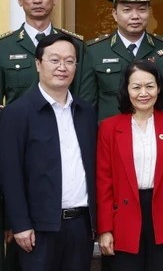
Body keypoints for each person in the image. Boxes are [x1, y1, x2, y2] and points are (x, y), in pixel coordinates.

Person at [0, 34, 97, 271]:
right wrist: (20, 224)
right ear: (38, 64)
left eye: (69, 61)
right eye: (54, 60)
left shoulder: (85, 112)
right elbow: (10, 174)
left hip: (81, 226)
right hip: (38, 230)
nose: (62, 68)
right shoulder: (16, 114)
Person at [96, 60, 163, 271]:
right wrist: (105, 229)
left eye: (150, 86)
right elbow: (104, 181)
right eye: (136, 87)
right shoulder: (109, 128)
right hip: (124, 219)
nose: (143, 93)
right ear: (126, 90)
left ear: (159, 88)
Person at [0, 0, 95, 105]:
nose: (37, 0)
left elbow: (85, 99)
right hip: (19, 127)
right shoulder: (4, 47)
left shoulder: (75, 44)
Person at [87, 0, 163, 121]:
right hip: (111, 139)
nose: (135, 16)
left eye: (141, 9)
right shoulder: (94, 51)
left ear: (150, 11)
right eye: (127, 10)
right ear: (114, 14)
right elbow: (88, 105)